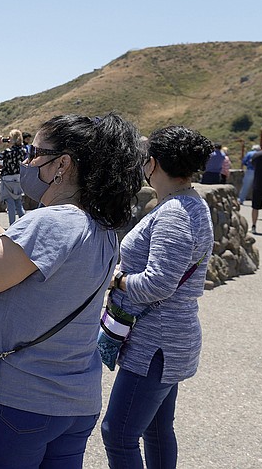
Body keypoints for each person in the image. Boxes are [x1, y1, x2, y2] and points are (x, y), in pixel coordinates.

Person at [0, 114, 143, 468]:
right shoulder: (101, 226)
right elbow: (15, 260)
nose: (29, 162)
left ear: (63, 163)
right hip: (75, 403)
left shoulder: (51, 222)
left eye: (35, 152)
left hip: (20, 402)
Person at [101, 126, 214, 468]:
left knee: (117, 434)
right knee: (156, 428)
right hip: (169, 339)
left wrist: (117, 280)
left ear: (152, 163)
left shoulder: (175, 212)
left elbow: (158, 284)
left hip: (156, 344)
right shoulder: (192, 204)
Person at [0, 130, 26, 224]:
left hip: (7, 179)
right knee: (18, 203)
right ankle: (24, 225)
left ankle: (12, 226)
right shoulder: (22, 151)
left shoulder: (8, 152)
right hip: (18, 179)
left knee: (10, 204)